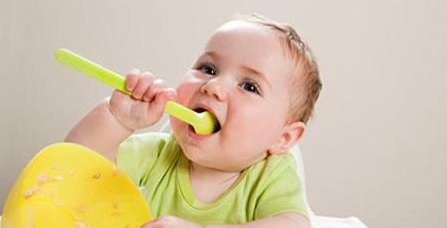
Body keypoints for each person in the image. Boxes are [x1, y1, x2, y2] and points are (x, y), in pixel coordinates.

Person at [65, 13, 323, 228]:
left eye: (249, 86)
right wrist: (116, 119)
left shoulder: (271, 174)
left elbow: (293, 225)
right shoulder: (160, 154)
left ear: (283, 138)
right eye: (208, 69)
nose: (214, 86)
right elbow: (76, 168)